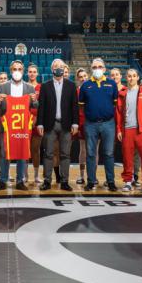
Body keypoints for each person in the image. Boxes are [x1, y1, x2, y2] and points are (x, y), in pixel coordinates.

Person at [0, 60, 38, 191]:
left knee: (22, 153)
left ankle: (20, 181)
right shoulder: (2, 86)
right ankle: (2, 180)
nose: (17, 72)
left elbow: (35, 106)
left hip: (22, 126)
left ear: (23, 71)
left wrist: (34, 100)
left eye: (19, 69)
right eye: (14, 69)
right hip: (6, 126)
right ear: (11, 71)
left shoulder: (30, 88)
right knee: (4, 152)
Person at [37, 59, 79, 191]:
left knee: (65, 154)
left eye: (61, 66)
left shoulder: (71, 85)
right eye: (56, 66)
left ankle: (65, 181)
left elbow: (74, 107)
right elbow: (41, 107)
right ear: (52, 69)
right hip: (50, 124)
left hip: (66, 124)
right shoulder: (45, 85)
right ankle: (47, 181)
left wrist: (75, 123)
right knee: (48, 154)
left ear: (64, 68)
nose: (58, 68)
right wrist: (39, 124)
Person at [79, 58, 119, 192]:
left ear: (104, 69)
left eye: (100, 66)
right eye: (95, 67)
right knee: (90, 154)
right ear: (91, 69)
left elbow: (114, 103)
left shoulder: (112, 84)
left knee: (108, 153)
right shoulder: (85, 86)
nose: (97, 69)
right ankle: (91, 182)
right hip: (91, 124)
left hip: (108, 123)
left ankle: (111, 181)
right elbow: (81, 106)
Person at [117, 69, 142, 195]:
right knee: (127, 157)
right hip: (127, 130)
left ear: (138, 77)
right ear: (126, 78)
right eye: (129, 76)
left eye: (134, 76)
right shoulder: (122, 93)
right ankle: (128, 181)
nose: (131, 78)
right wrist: (119, 129)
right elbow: (118, 114)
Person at [26, 64, 43, 184]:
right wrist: (29, 118)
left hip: (37, 122)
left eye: (34, 72)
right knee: (25, 150)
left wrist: (37, 118)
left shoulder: (41, 87)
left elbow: (43, 105)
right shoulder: (23, 87)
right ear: (27, 73)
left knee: (35, 149)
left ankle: (36, 176)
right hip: (24, 121)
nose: (32, 73)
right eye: (30, 72)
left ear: (37, 73)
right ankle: (25, 175)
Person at [73, 68, 89, 185]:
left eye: (84, 76)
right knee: (83, 150)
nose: (83, 78)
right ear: (77, 79)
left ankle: (91, 175)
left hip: (93, 123)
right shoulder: (76, 92)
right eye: (80, 77)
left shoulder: (93, 89)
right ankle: (82, 175)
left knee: (94, 151)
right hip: (81, 123)